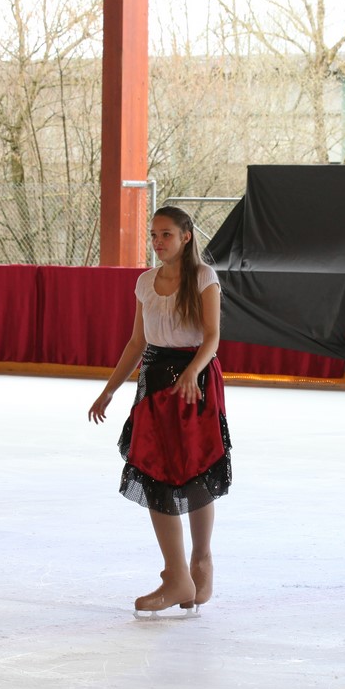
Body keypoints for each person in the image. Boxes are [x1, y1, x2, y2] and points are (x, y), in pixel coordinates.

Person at [88, 207, 230, 615]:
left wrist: (192, 373)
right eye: (153, 234)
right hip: (154, 384)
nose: (158, 242)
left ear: (186, 236)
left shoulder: (203, 278)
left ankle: (201, 562)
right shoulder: (145, 283)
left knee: (197, 468)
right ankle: (176, 575)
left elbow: (212, 337)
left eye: (166, 234)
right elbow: (137, 342)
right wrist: (110, 390)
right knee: (153, 472)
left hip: (194, 383)